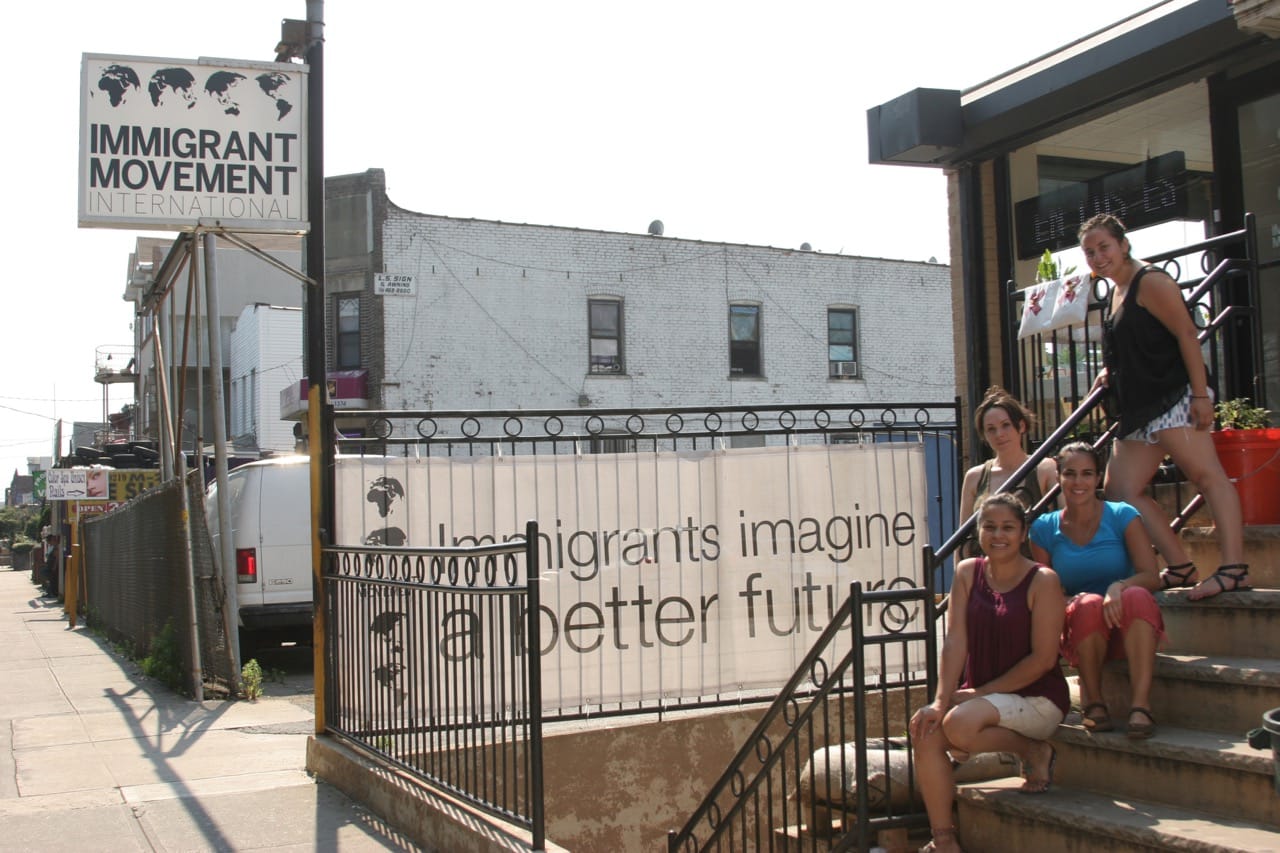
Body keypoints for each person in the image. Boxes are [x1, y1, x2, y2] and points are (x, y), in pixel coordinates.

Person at [1080, 213, 1248, 600]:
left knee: (1208, 477)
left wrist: (1201, 396)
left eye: (1104, 247)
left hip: (1172, 396)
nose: (1098, 256)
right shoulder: (1118, 290)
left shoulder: (1150, 280)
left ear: (1123, 244)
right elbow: (1139, 340)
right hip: (1140, 407)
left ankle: (1234, 569)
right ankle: (1180, 565)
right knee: (1120, 490)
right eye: (1090, 252)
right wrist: (1110, 371)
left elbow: (1187, 333)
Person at [910, 494, 1068, 853]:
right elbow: (955, 642)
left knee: (960, 724)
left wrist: (978, 694)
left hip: (1037, 698)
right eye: (990, 526)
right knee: (925, 731)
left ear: (1023, 532)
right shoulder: (968, 572)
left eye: (1008, 527)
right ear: (978, 531)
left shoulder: (1042, 580)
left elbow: (1043, 660)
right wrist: (938, 701)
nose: (999, 535)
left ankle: (1034, 751)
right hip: (982, 699)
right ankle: (944, 839)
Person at [1029, 442, 1164, 738]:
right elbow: (1046, 592)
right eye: (1071, 474)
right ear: (1060, 476)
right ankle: (1094, 702)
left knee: (1138, 596)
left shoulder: (1121, 515)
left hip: (1127, 622)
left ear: (1098, 476)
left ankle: (1141, 706)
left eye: (1087, 474)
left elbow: (1151, 575)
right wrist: (1076, 601)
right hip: (1081, 627)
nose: (1079, 482)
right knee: (1088, 604)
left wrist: (1119, 586)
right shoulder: (1043, 528)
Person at [958, 387, 1057, 555]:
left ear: (1021, 426)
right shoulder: (974, 477)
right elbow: (963, 540)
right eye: (991, 429)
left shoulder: (1044, 468)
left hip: (1032, 572)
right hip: (986, 572)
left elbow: (1062, 527)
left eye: (1006, 425)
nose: (999, 434)